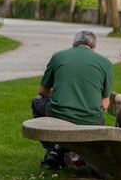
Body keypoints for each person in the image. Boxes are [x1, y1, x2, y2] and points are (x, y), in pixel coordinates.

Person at [31, 30, 113, 170]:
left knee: (36, 102)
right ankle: (63, 152)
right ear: (94, 48)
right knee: (97, 121)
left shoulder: (58, 56)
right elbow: (105, 103)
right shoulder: (105, 63)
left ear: (73, 45)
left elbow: (42, 91)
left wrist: (59, 96)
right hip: (90, 118)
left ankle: (52, 151)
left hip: (58, 112)